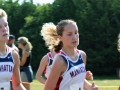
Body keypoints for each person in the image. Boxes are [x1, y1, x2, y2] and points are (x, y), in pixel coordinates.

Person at [44, 19, 98, 90]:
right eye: (69, 34)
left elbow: (79, 80)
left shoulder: (82, 55)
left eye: (76, 32)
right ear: (60, 38)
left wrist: (90, 88)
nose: (74, 37)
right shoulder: (60, 60)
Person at [0, 8, 26, 90]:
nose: (4, 29)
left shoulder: (14, 55)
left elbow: (17, 85)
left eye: (6, 25)